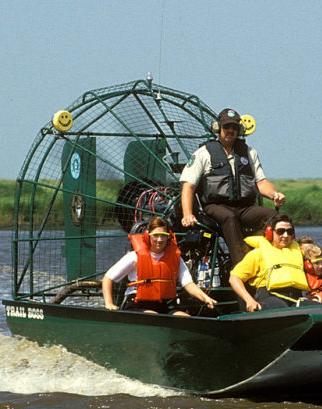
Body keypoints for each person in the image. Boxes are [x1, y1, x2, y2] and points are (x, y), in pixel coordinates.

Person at [179, 108, 286, 268]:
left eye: (234, 128)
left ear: (239, 130)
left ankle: (271, 259)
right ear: (219, 128)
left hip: (244, 208)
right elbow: (188, 186)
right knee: (229, 217)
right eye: (226, 127)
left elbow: (261, 182)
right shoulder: (203, 153)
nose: (230, 131)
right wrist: (187, 214)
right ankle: (243, 268)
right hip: (215, 207)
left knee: (276, 219)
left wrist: (275, 194)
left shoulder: (249, 153)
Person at [102, 217, 216, 316]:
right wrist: (109, 303)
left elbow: (188, 284)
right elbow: (108, 278)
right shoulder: (134, 257)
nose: (160, 239)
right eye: (155, 235)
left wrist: (205, 298)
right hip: (136, 305)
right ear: (148, 237)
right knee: (154, 316)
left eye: (163, 235)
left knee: (184, 318)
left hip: (163, 305)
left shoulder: (176, 258)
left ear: (169, 237)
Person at [229, 214, 309, 312]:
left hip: (296, 297)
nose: (285, 235)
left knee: (319, 308)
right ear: (270, 233)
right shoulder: (258, 253)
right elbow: (234, 278)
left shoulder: (298, 252)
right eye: (280, 231)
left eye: (289, 232)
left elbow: (320, 261)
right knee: (282, 310)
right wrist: (249, 300)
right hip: (270, 297)